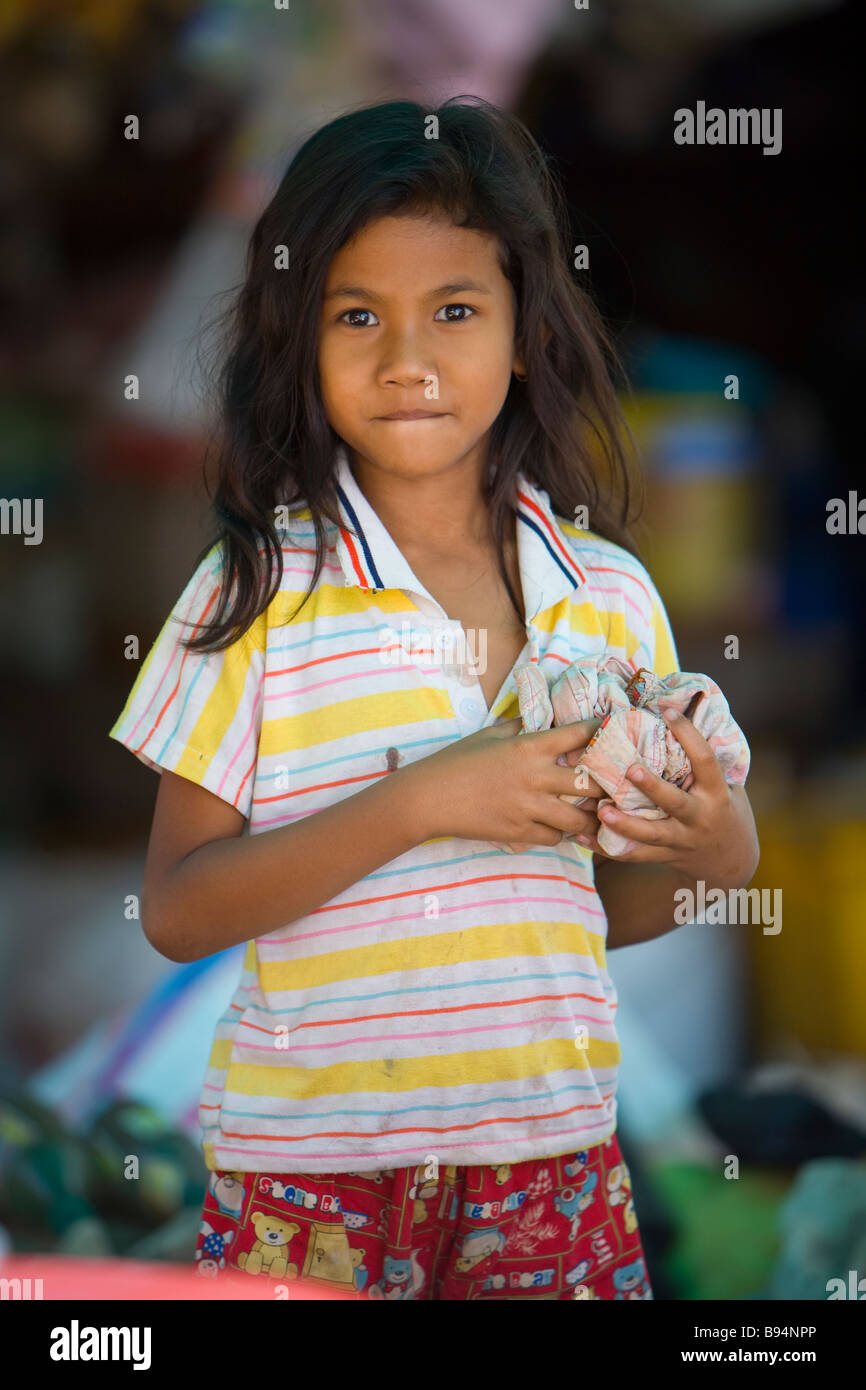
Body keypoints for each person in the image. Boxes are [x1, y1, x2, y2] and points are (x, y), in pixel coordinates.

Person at [108, 97, 759, 1300]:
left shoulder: (604, 595)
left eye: (454, 310)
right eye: (356, 315)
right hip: (309, 1180)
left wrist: (718, 843)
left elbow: (584, 913)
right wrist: (418, 804)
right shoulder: (250, 593)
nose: (406, 357)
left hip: (548, 1166)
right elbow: (178, 911)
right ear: (299, 339)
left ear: (522, 335)